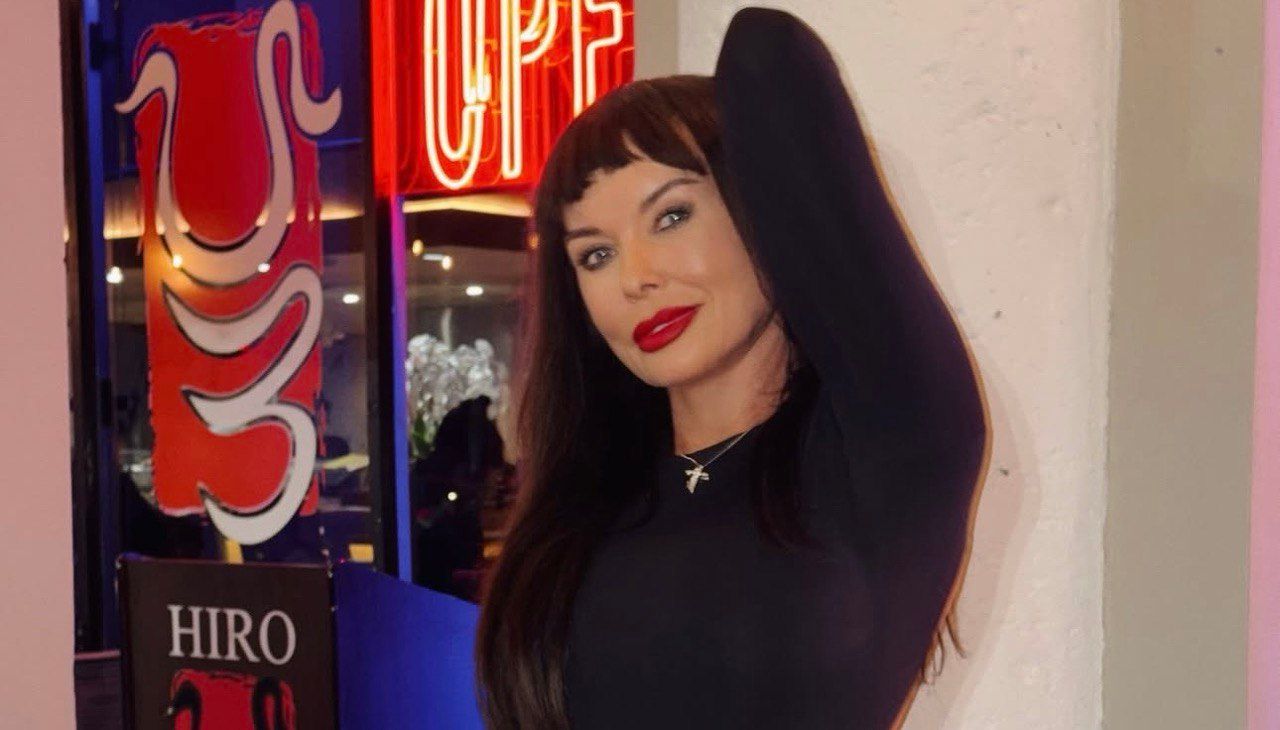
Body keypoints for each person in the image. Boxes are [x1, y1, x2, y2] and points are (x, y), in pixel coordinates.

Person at [475, 7, 990, 729]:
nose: (635, 277)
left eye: (671, 216)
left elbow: (768, 55)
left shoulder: (888, 449)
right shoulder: (582, 508)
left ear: (762, 209)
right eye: (596, 254)